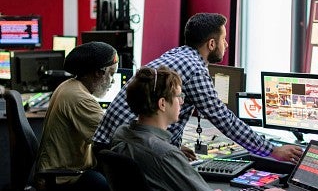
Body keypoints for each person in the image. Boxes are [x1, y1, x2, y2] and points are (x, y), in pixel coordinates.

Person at [94, 12, 302, 163]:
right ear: (211, 44)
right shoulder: (194, 69)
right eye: (223, 39)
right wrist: (273, 150)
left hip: (110, 148)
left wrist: (173, 148)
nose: (226, 45)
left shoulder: (175, 54)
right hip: (131, 152)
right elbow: (223, 119)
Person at [111, 66, 292, 191]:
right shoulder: (165, 154)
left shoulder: (122, 135)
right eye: (178, 96)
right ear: (162, 104)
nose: (182, 102)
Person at [35, 41, 119, 191]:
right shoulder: (79, 98)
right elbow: (114, 137)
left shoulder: (70, 86)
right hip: (64, 178)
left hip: (61, 173)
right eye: (111, 74)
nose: (112, 81)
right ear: (98, 73)